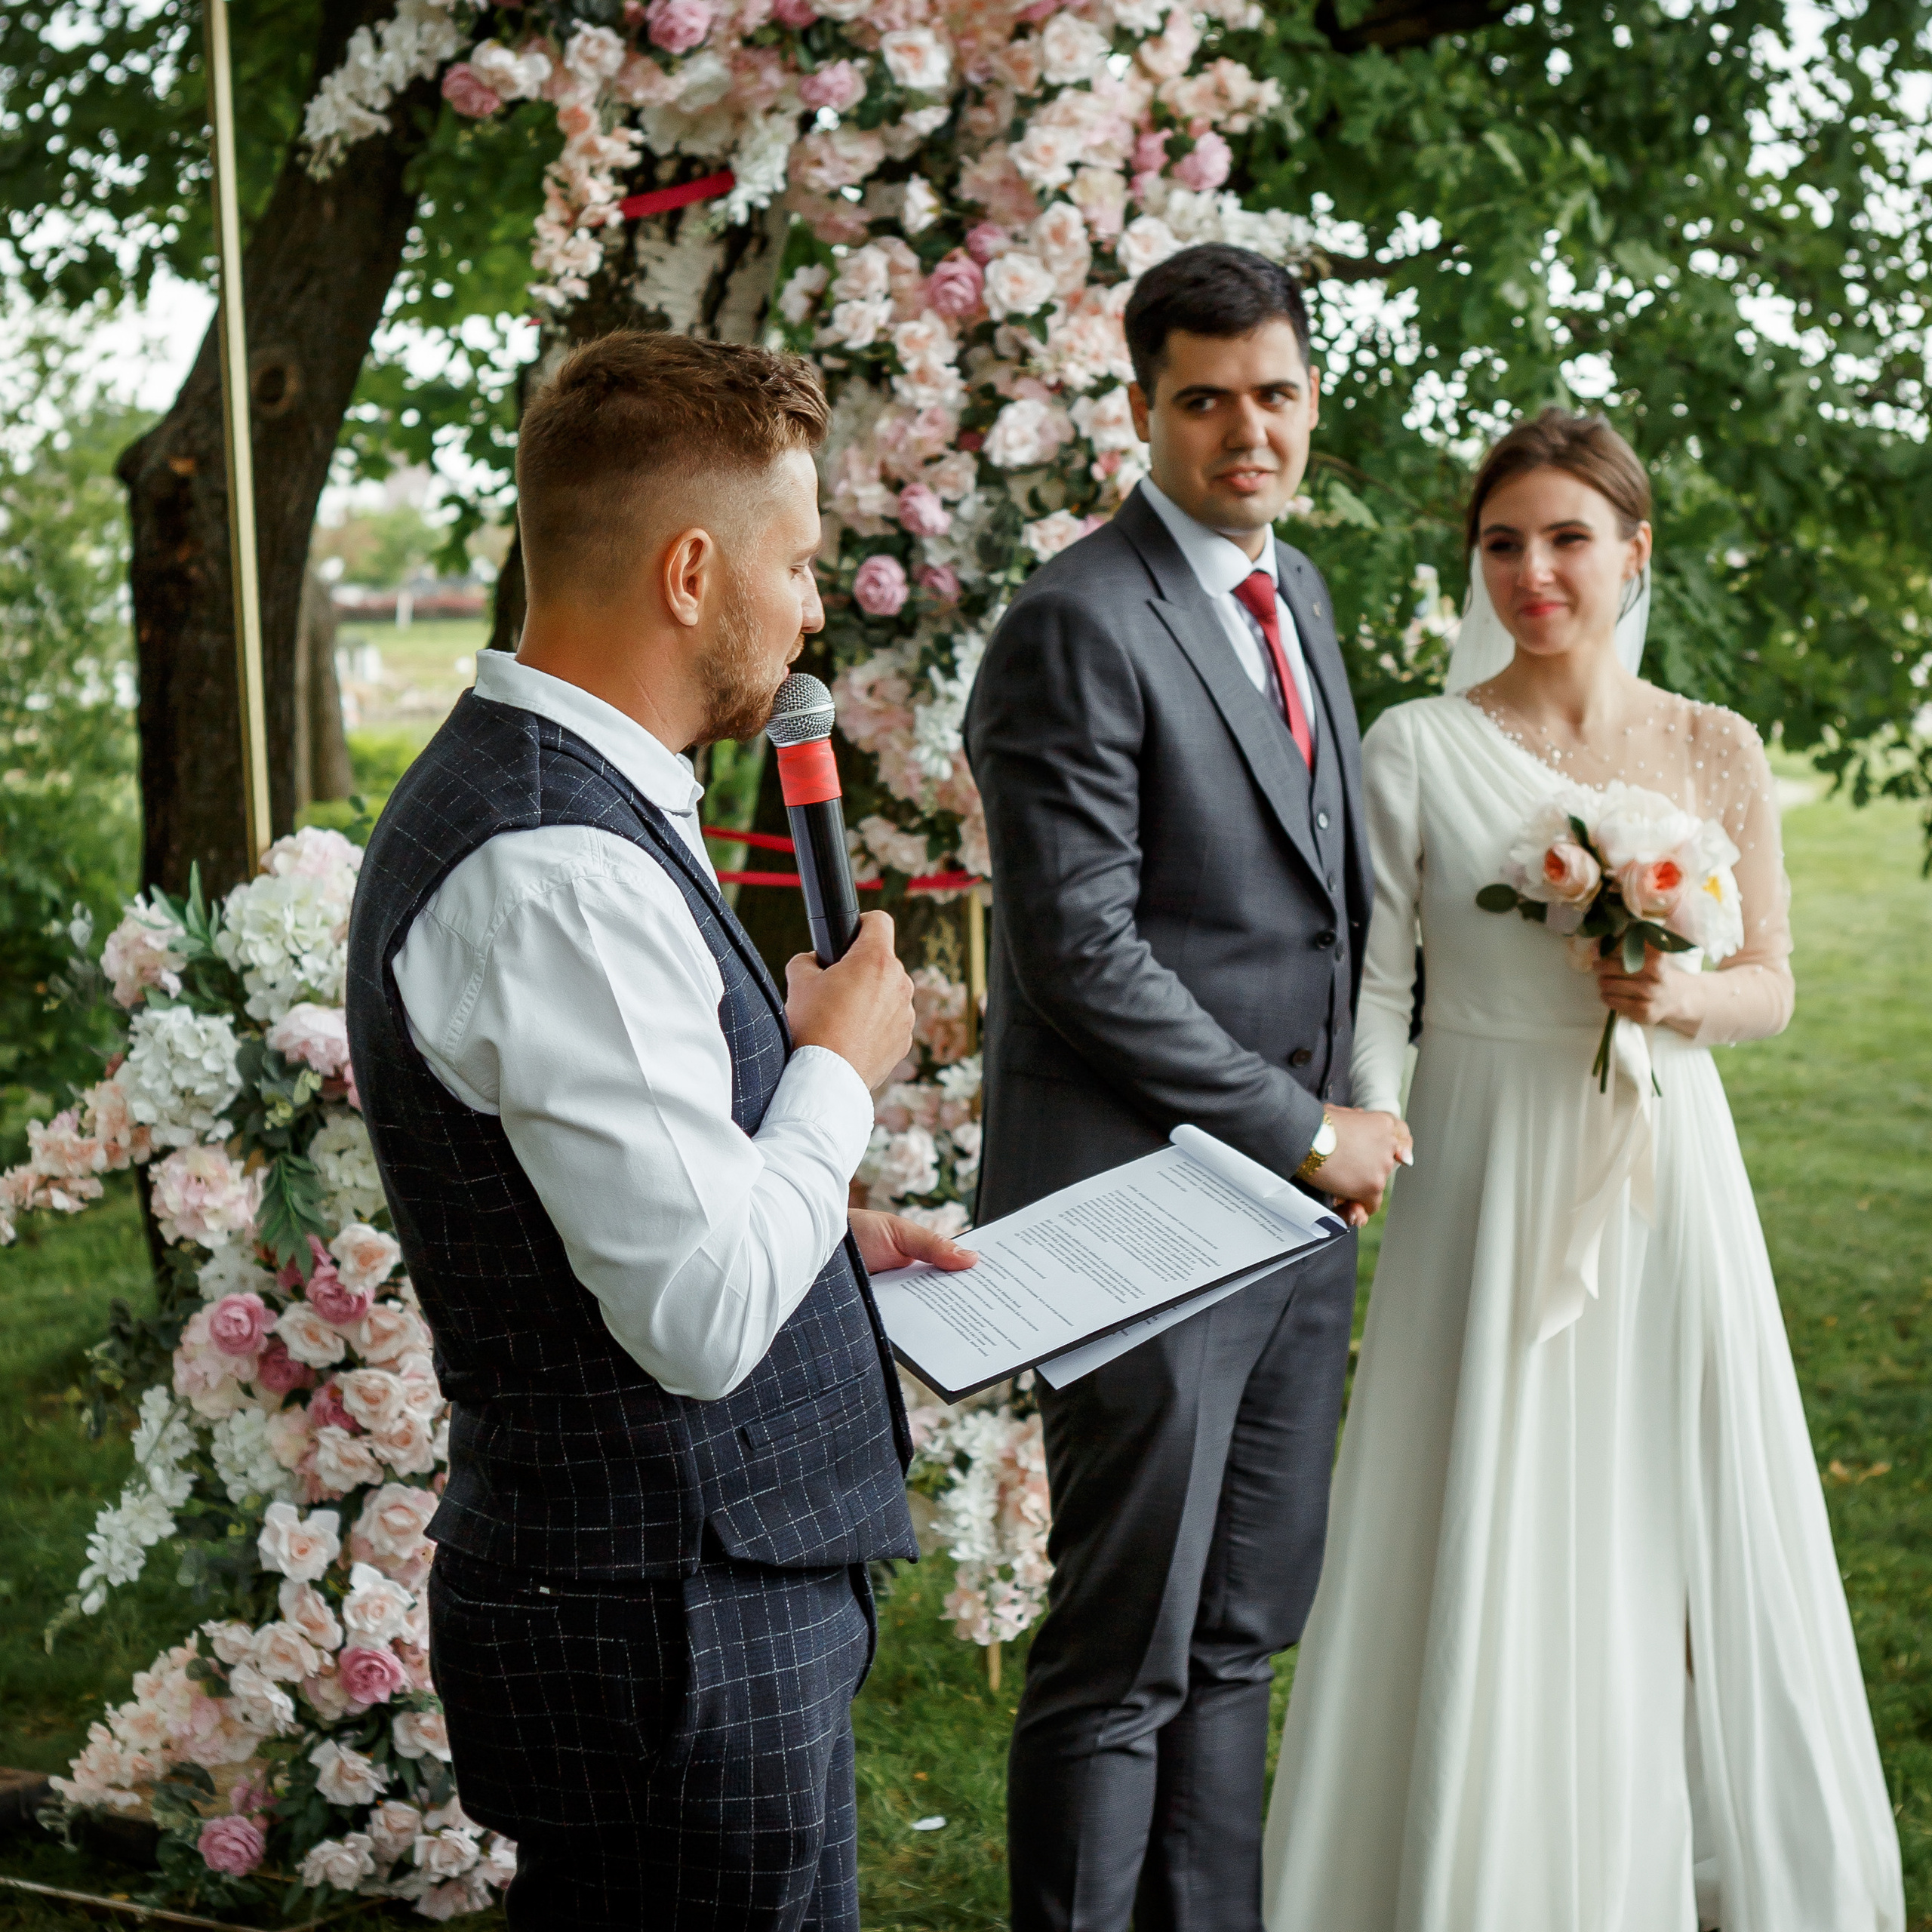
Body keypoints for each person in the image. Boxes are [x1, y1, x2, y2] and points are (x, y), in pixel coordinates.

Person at [343, 331, 975, 1932]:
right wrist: (835, 1072)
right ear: (692, 573)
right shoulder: (556, 869)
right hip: (667, 1626)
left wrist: (826, 1230)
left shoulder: (572, 800)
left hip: (685, 1601)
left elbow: (617, 1204)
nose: (814, 611)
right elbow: (695, 1313)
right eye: (798, 564)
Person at [1261, 410, 1905, 1932]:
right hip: (1484, 1162)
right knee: (1480, 1489)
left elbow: (1771, 982)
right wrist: (1369, 1127)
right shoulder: (1415, 744)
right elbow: (1380, 983)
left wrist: (1681, 995)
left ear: (1633, 551)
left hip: (1669, 1167)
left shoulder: (1714, 744)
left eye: (1565, 539)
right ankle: (1468, 1858)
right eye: (1502, 543)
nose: (1532, 572)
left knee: (1670, 1491)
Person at [964, 242, 1411, 1932]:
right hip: (1138, 1216)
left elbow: (1314, 903)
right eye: (1206, 400)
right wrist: (1304, 1128)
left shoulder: (1298, 596)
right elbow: (1079, 953)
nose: (1248, 431)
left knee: (1236, 1642)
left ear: (1313, 398)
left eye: (1274, 394)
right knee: (1121, 1657)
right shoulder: (1076, 622)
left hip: (1291, 1228)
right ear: (1144, 409)